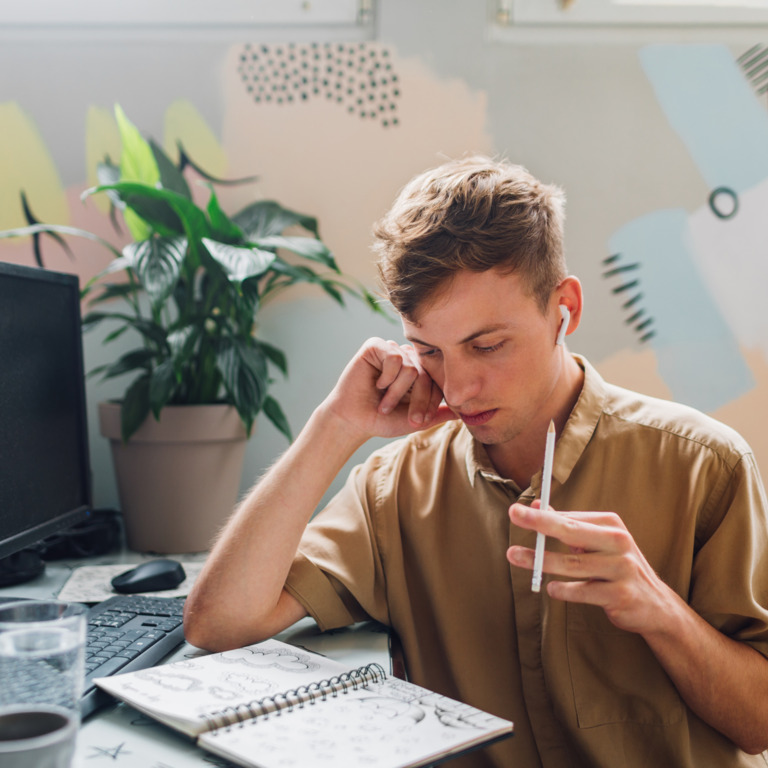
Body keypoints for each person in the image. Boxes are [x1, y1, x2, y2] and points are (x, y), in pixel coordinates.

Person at [184, 156, 768, 767]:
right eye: (428, 350)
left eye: (486, 346)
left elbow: (758, 724)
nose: (457, 389)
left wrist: (661, 613)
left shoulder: (706, 465)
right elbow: (219, 624)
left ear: (563, 308)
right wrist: (337, 425)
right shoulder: (395, 489)